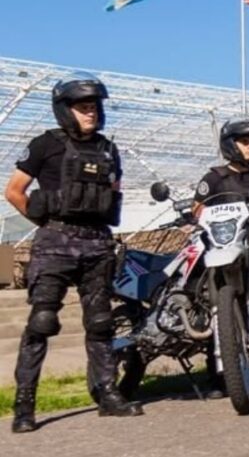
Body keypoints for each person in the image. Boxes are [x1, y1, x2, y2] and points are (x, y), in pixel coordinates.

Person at [5, 74, 143, 433]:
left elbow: (113, 192)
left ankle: (107, 393)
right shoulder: (43, 145)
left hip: (97, 243)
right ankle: (25, 405)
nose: (91, 113)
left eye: (95, 107)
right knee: (42, 323)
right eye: (84, 108)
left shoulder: (108, 150)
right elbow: (15, 190)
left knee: (100, 324)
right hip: (56, 244)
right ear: (65, 111)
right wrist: (43, 221)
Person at [191, 117, 249, 399]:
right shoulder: (214, 177)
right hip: (221, 255)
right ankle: (217, 376)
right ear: (231, 144)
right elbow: (197, 210)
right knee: (217, 311)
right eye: (245, 141)